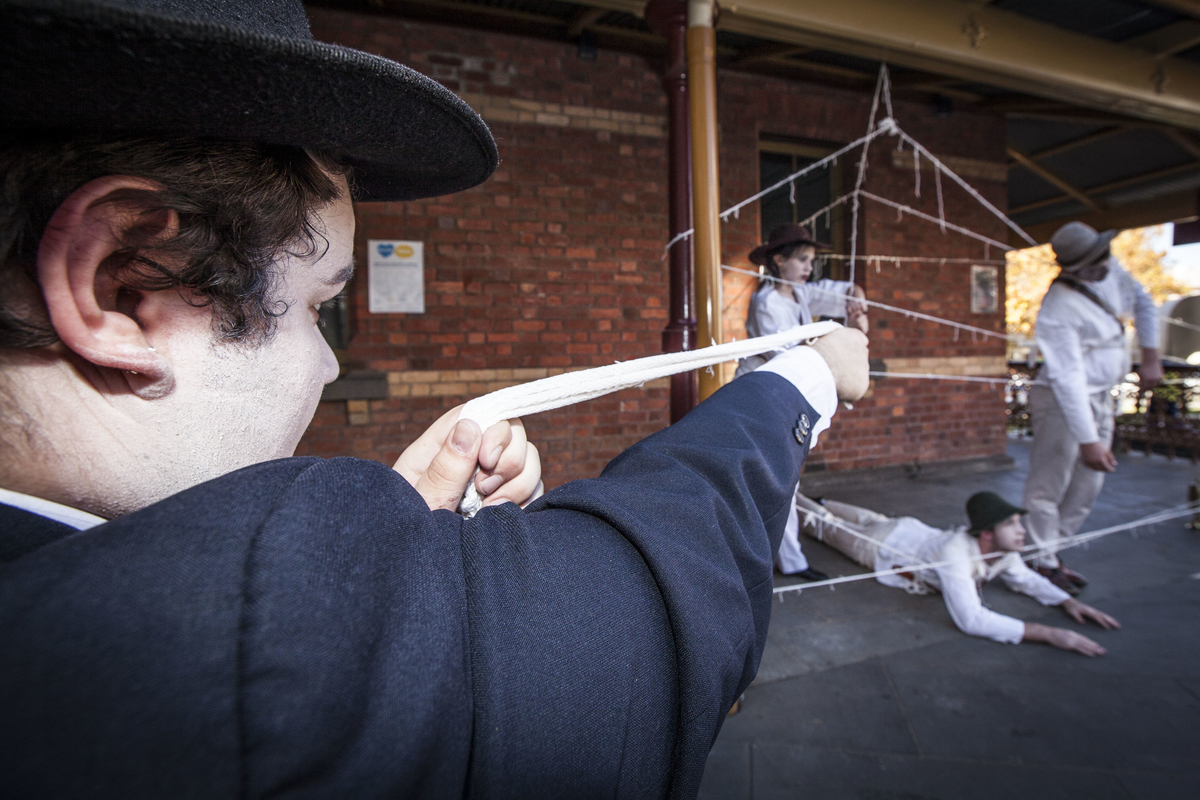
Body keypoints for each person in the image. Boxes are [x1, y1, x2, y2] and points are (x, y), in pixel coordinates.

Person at [0, 1, 871, 797]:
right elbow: (653, 601)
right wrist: (809, 374)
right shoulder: (191, 663)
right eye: (318, 306)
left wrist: (388, 546)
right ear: (123, 286)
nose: (329, 365)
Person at [797, 491, 1121, 656]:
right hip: (881, 548)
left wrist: (1068, 602)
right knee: (825, 527)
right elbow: (971, 619)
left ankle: (823, 499)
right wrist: (1050, 634)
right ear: (987, 534)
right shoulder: (954, 553)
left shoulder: (1002, 552)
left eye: (1019, 523)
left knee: (868, 517)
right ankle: (795, 494)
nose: (1021, 532)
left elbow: (1026, 579)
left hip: (907, 528)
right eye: (1011, 524)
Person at [1023, 221, 1162, 595]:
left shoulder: (1111, 268)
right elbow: (1067, 378)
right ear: (1071, 267)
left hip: (1101, 396)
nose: (1103, 267)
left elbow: (1145, 303)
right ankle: (1039, 558)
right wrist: (1088, 439)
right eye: (1092, 263)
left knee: (1089, 482)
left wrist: (1151, 355)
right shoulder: (1057, 307)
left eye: (1103, 257)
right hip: (1062, 401)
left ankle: (1053, 551)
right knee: (1049, 483)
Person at [735, 223, 869, 582]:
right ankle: (779, 559)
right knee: (776, 479)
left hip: (786, 390)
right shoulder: (767, 303)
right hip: (763, 393)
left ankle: (786, 558)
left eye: (812, 260)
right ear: (778, 261)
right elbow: (786, 352)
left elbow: (836, 292)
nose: (809, 267)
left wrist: (854, 297)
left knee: (784, 478)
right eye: (802, 260)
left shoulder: (802, 295)